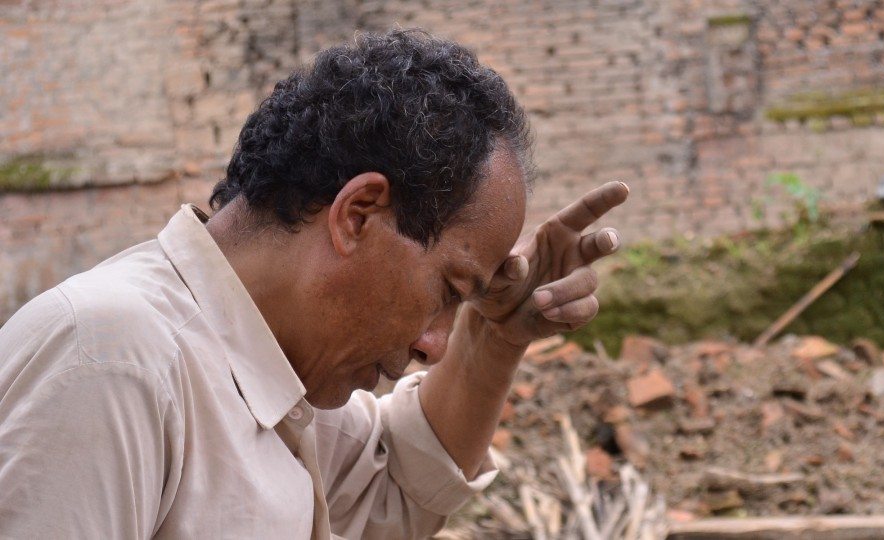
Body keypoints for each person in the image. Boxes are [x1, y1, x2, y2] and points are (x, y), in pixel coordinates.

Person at [0, 30, 627, 539]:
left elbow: (399, 487)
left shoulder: (279, 379)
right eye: (448, 290)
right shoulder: (114, 359)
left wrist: (494, 340)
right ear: (358, 214)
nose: (434, 344)